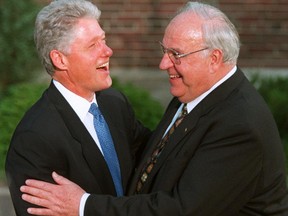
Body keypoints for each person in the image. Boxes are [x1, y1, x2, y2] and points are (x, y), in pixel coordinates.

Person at [20, 1, 288, 215]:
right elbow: (157, 158)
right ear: (60, 58)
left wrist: (82, 205)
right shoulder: (190, 92)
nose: (163, 64)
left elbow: (183, 208)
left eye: (176, 54)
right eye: (164, 50)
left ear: (214, 58)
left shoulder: (239, 124)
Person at [5, 0, 150, 215]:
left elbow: (152, 162)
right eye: (93, 45)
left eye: (104, 40)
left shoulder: (115, 104)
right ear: (60, 59)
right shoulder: (34, 139)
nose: (108, 51)